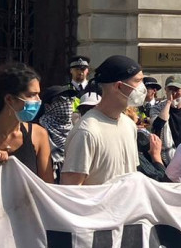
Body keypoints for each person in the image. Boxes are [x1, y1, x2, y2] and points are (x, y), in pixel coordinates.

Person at [60, 55, 142, 185]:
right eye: (138, 81)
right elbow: (71, 191)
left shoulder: (129, 125)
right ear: (119, 86)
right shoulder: (86, 132)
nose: (142, 88)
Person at [38, 84, 77, 176]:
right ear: (48, 107)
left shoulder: (76, 128)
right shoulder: (40, 130)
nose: (67, 104)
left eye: (70, 99)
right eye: (61, 100)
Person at [151, 76, 181, 158]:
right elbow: (157, 125)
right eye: (170, 89)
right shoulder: (157, 108)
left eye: (177, 89)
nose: (173, 93)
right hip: (166, 156)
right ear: (165, 90)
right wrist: (168, 102)